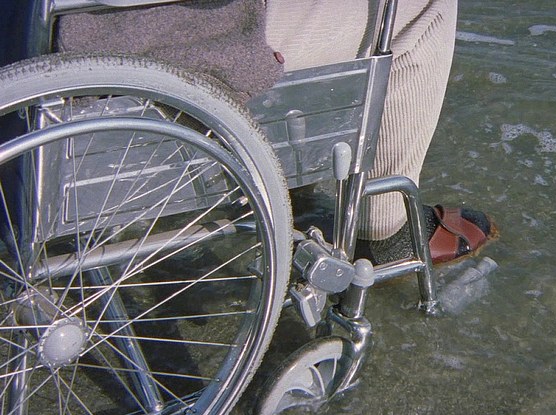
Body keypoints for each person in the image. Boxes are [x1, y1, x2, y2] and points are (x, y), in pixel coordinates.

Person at [57, 0, 497, 265]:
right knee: (427, 5)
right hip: (132, 32)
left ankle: (292, 178)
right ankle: (385, 229)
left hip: (44, 32)